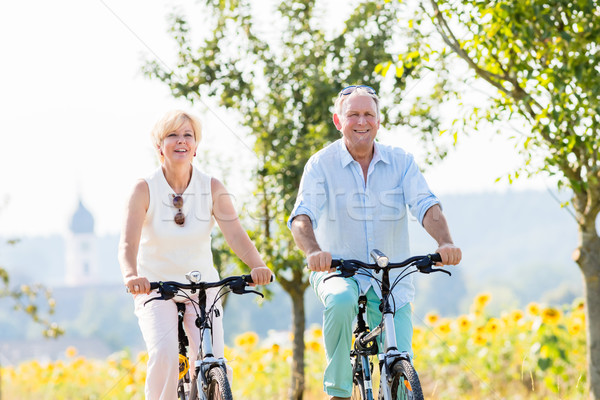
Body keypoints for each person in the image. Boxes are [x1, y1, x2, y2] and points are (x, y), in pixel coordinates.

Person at [288, 85, 462, 400]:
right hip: (338, 270)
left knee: (401, 364)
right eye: (353, 114)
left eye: (368, 114)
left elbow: (425, 205)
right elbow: (302, 217)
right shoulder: (321, 164)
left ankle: (396, 383)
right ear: (338, 121)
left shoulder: (401, 161)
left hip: (391, 275)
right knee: (340, 301)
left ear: (378, 121)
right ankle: (339, 391)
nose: (361, 121)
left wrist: (445, 242)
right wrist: (314, 252)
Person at [118, 110, 272, 400]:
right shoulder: (143, 189)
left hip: (203, 287)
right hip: (156, 288)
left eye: (188, 135)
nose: (181, 141)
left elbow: (236, 235)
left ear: (196, 146)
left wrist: (257, 266)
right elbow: (127, 244)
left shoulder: (212, 187)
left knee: (212, 357)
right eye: (173, 135)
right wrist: (131, 276)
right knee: (164, 355)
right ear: (159, 146)